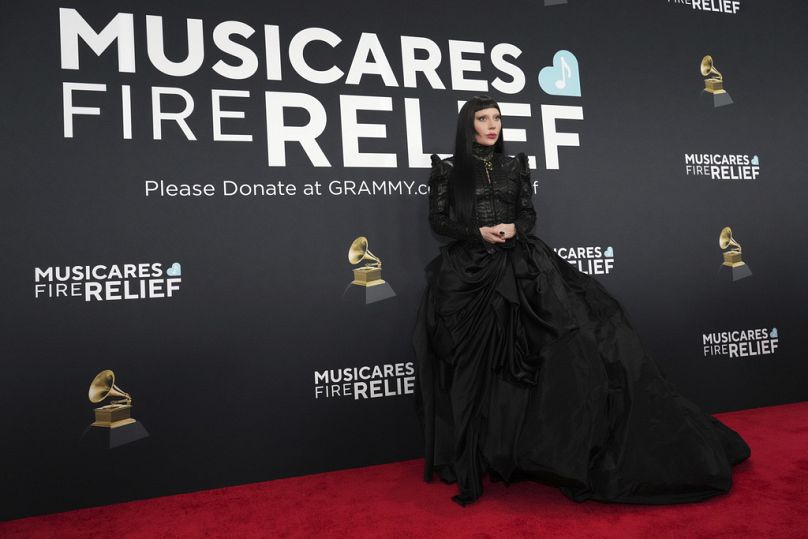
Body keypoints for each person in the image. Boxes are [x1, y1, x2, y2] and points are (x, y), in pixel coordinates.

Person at [412, 95, 750, 507]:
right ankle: (479, 455)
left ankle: (543, 450)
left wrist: (514, 227)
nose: (492, 124)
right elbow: (439, 220)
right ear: (468, 125)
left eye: (497, 117)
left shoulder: (514, 165)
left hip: (523, 268)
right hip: (469, 276)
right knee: (477, 371)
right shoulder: (448, 171)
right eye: (483, 118)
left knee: (571, 347)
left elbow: (527, 213)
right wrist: (478, 233)